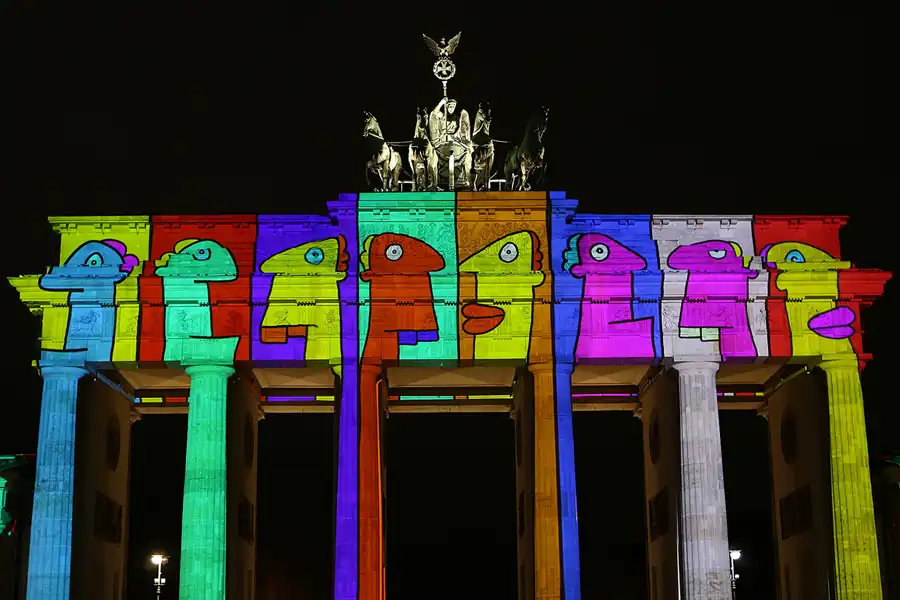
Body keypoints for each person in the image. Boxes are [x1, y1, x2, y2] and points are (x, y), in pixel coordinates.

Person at [429, 98, 472, 184]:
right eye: (449, 106)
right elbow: (433, 114)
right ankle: (433, 179)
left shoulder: (457, 118)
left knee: (469, 149)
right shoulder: (441, 116)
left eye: (453, 106)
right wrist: (441, 102)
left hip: (456, 141)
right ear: (446, 107)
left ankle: (468, 176)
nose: (451, 108)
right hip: (441, 141)